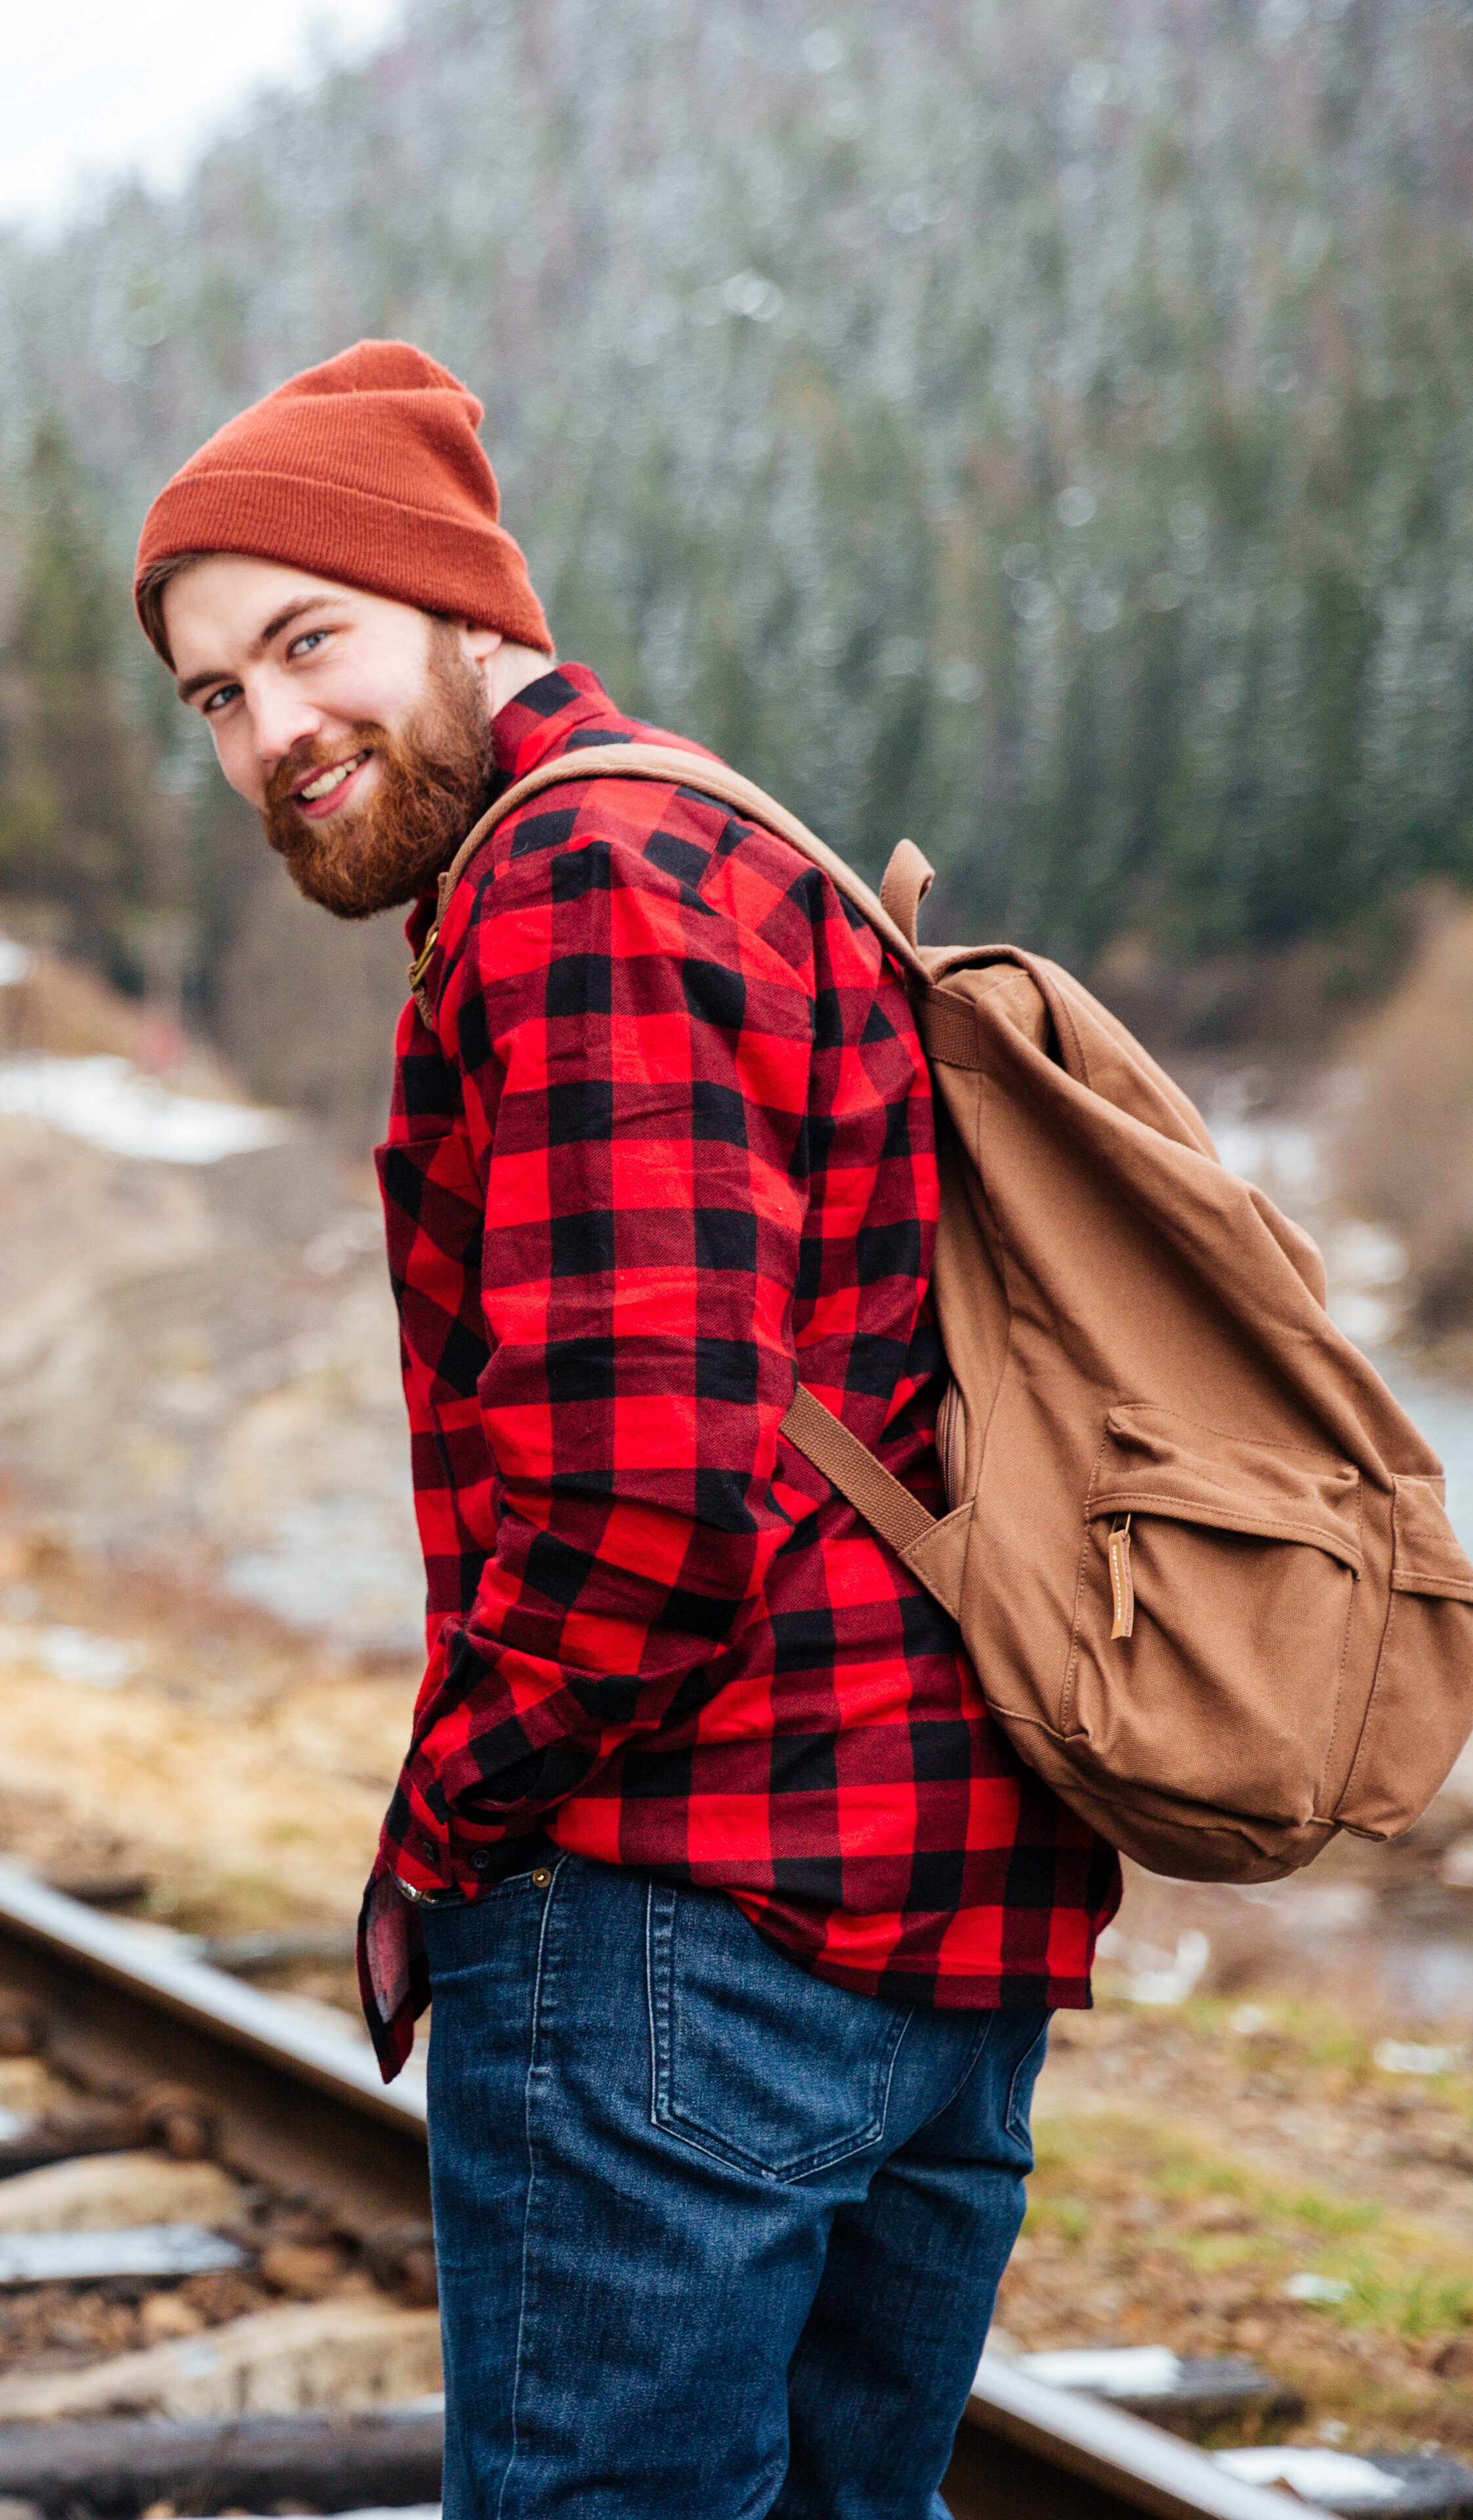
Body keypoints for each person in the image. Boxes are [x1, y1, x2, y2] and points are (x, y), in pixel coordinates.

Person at [135, 341, 1120, 2519]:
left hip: (695, 1926)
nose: (272, 729)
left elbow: (638, 1506)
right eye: (216, 697)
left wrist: (439, 1844)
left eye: (311, 641)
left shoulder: (571, 887)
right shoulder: (728, 837)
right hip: (940, 1935)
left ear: (470, 607)